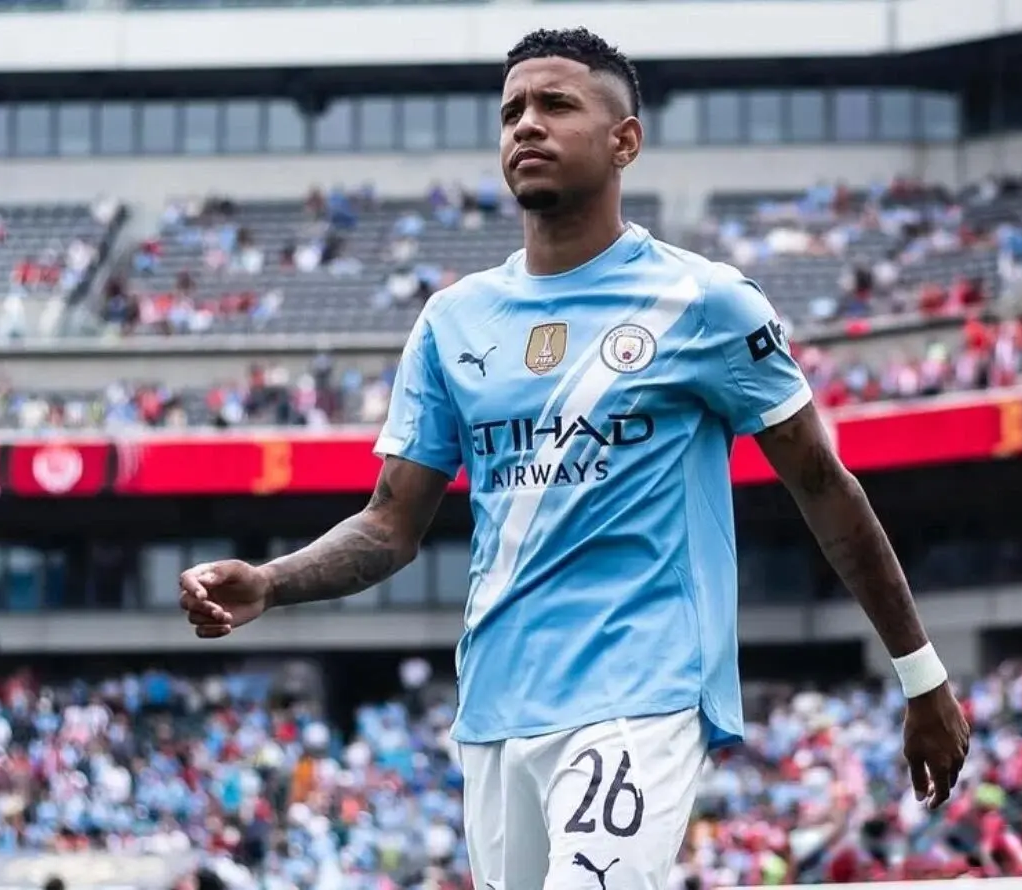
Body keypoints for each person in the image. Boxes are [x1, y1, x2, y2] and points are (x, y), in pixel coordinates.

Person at [179, 27, 970, 890]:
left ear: (625, 141)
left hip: (643, 691)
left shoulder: (703, 302)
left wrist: (920, 674)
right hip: (495, 704)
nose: (527, 124)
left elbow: (824, 485)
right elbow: (388, 526)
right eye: (512, 110)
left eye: (556, 104)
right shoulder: (452, 321)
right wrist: (271, 581)